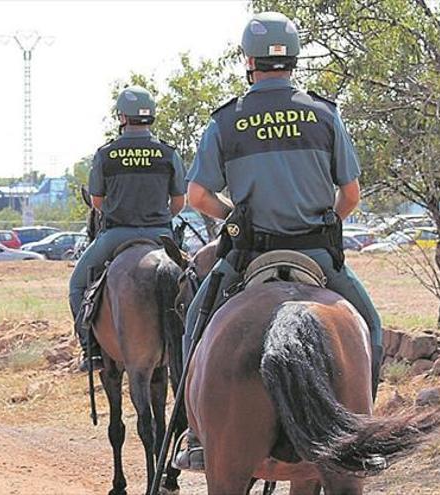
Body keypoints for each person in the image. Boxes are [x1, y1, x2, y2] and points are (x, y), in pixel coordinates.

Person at [172, 12, 384, 472]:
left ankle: (196, 434)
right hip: (315, 257)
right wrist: (323, 222)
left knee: (194, 327)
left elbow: (196, 195)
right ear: (293, 57)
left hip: (250, 256)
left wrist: (234, 219)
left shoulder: (227, 121)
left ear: (248, 61)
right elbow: (351, 194)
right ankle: (363, 431)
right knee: (369, 327)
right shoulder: (325, 114)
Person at [69, 86, 187, 372]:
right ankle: (192, 345)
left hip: (116, 235)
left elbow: (97, 202)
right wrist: (158, 217)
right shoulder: (167, 153)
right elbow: (179, 202)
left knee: (76, 285)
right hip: (160, 236)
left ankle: (91, 350)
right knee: (195, 282)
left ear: (122, 116)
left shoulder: (106, 154)